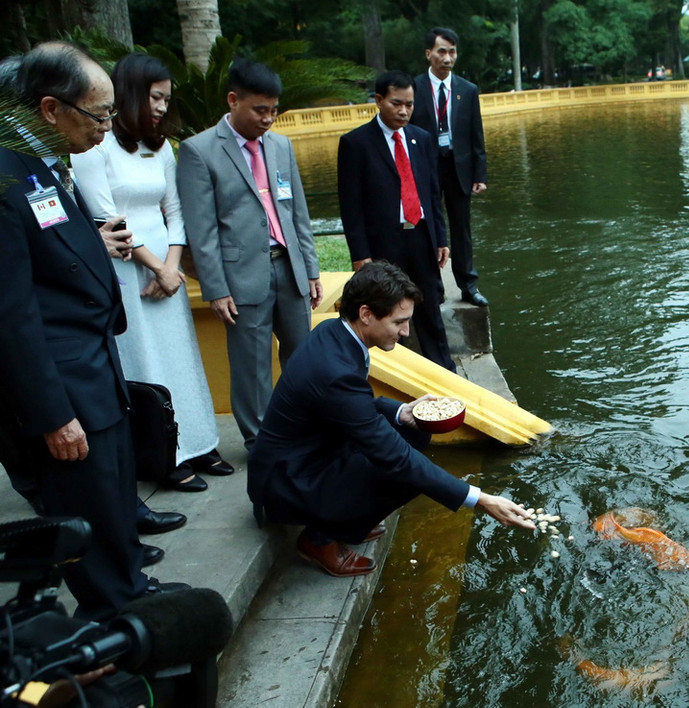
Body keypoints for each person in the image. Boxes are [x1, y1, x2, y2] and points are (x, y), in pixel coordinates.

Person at [0, 42, 186, 620]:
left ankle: (130, 586)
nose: (107, 129)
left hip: (94, 365)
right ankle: (116, 616)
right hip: (63, 384)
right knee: (86, 500)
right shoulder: (6, 178)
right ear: (51, 108)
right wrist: (52, 413)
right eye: (98, 115)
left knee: (111, 495)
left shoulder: (44, 164)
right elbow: (12, 313)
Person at [248, 261, 534, 576]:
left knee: (414, 431)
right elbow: (393, 456)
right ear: (367, 314)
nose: (405, 332)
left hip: (315, 450)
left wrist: (402, 410)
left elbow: (351, 406)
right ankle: (319, 538)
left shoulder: (334, 331)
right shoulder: (334, 370)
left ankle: (350, 518)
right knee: (404, 470)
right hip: (286, 480)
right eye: (399, 322)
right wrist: (480, 500)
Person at [71, 53, 233, 493]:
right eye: (155, 97)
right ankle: (164, 453)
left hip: (167, 267)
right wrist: (157, 268)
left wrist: (173, 267)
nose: (162, 107)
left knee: (180, 355)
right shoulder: (93, 147)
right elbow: (107, 217)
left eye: (166, 99)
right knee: (146, 357)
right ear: (130, 95)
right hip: (125, 267)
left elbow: (175, 211)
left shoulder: (159, 147)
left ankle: (198, 440)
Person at [177, 59, 322, 451]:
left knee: (302, 356)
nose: (268, 119)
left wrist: (310, 269)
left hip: (288, 268)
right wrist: (216, 288)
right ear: (233, 101)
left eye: (274, 110)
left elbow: (297, 213)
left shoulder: (280, 145)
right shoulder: (199, 151)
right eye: (260, 110)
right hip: (241, 277)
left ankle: (304, 428)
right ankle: (260, 442)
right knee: (252, 366)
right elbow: (201, 230)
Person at [338, 70, 456, 372]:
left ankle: (444, 373)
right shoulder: (356, 143)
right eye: (396, 104)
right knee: (388, 313)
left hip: (421, 237)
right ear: (379, 101)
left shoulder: (421, 138)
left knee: (430, 309)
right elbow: (351, 205)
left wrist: (440, 238)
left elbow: (432, 193)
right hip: (383, 244)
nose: (404, 111)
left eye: (409, 105)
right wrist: (360, 255)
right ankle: (399, 377)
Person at [411, 27, 489, 307]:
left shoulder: (467, 90)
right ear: (428, 53)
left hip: (459, 167)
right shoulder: (414, 88)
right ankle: (433, 286)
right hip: (426, 168)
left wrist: (480, 174)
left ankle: (468, 285)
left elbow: (475, 134)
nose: (447, 57)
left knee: (461, 229)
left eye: (452, 51)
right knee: (429, 226)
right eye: (441, 51)